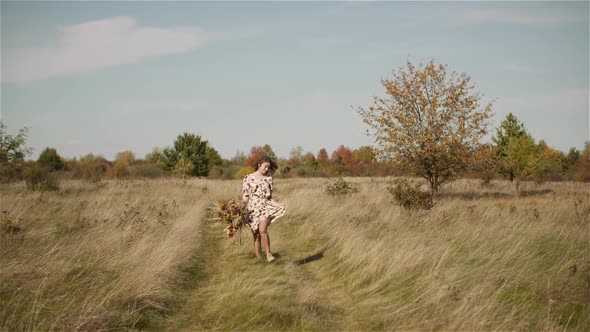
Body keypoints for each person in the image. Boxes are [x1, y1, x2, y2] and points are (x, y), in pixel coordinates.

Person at [241, 156, 286, 262]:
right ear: (259, 165)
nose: (267, 170)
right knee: (256, 236)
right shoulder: (248, 178)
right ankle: (259, 260)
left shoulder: (268, 179)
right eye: (265, 167)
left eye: (268, 168)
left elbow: (269, 195)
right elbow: (245, 196)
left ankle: (269, 255)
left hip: (266, 207)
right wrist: (241, 210)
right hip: (252, 210)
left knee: (262, 230)